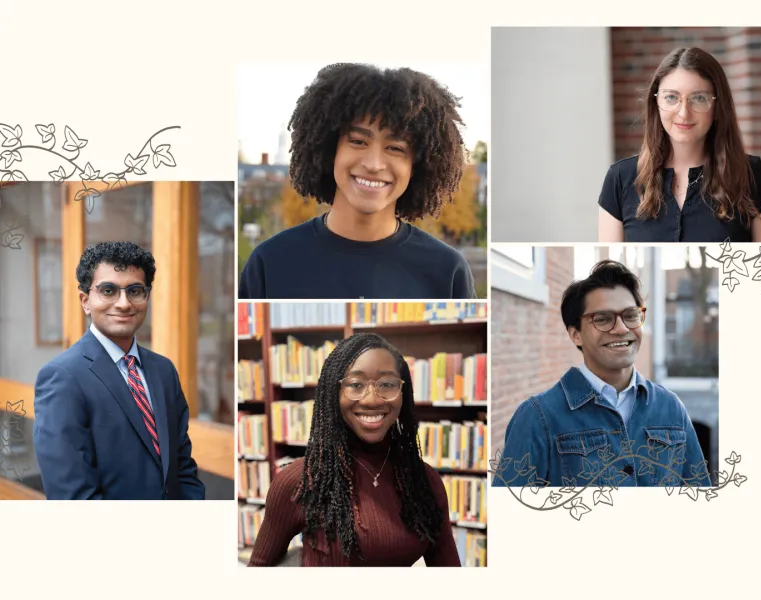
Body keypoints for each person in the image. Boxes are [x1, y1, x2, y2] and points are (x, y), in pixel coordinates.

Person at [238, 63, 477, 300]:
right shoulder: (270, 263)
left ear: (418, 165)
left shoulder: (447, 271)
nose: (374, 164)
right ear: (330, 149)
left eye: (395, 148)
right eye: (359, 141)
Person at [493, 260, 711, 488]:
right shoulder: (538, 417)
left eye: (630, 315)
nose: (621, 328)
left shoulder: (671, 408)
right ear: (575, 334)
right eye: (603, 319)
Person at [248, 333, 460, 566]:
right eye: (356, 385)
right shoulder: (299, 481)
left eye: (387, 384)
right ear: (333, 394)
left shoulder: (424, 481)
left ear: (403, 393)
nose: (371, 400)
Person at [33, 241, 205, 500]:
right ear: (85, 301)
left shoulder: (163, 370)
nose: (124, 303)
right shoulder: (62, 378)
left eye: (135, 290)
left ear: (146, 296)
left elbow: (183, 468)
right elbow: (71, 495)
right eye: (108, 290)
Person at [598, 47, 761, 243]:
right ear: (656, 102)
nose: (684, 113)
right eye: (671, 97)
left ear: (718, 107)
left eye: (698, 98)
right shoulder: (620, 179)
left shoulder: (752, 176)